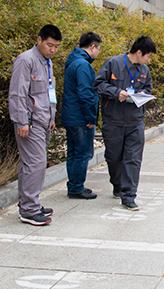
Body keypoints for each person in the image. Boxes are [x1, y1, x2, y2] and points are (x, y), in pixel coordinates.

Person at [94, 36, 156, 211]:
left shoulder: (145, 70)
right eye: (148, 56)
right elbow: (98, 84)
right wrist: (116, 93)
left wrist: (143, 94)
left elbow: (148, 89)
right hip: (113, 120)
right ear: (138, 52)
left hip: (135, 121)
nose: (148, 60)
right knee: (114, 157)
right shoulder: (113, 63)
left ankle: (128, 195)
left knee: (133, 159)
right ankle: (117, 184)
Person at [9, 24, 62, 226]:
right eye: (50, 45)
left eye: (56, 46)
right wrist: (21, 121)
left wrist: (51, 118)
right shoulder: (26, 60)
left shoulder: (47, 62)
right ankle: (29, 210)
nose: (53, 50)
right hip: (29, 123)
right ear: (39, 40)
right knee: (36, 164)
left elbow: (48, 93)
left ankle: (29, 203)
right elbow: (17, 93)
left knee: (31, 165)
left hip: (43, 121)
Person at [62, 32, 102, 200]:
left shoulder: (72, 62)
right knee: (83, 153)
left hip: (71, 116)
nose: (98, 52)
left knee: (73, 152)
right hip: (80, 117)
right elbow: (86, 93)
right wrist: (91, 118)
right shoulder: (83, 65)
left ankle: (73, 185)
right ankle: (77, 187)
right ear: (92, 47)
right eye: (98, 49)